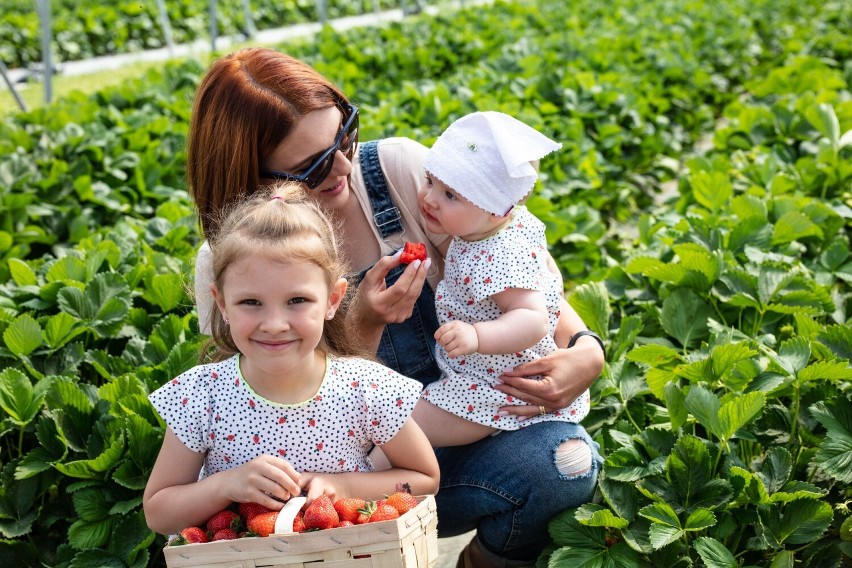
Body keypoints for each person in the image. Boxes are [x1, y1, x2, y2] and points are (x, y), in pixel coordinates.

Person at [187, 47, 605, 567]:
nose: (342, 166)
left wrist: (587, 350)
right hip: (354, 483)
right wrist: (364, 318)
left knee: (563, 464)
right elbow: (281, 410)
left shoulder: (402, 174)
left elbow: (515, 271)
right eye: (311, 166)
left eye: (344, 135)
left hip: (471, 430)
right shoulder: (227, 264)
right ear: (252, 177)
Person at [143, 183, 440, 536]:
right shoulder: (201, 396)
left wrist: (343, 487)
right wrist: (226, 486)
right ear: (221, 304)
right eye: (250, 302)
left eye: (297, 300)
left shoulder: (366, 387)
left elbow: (425, 479)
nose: (274, 325)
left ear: (332, 299)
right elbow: (158, 513)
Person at [409, 111, 591, 447]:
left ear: (495, 208)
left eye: (451, 195)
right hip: (483, 371)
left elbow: (533, 319)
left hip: (495, 386)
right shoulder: (491, 227)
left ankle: (365, 484)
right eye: (430, 181)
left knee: (401, 429)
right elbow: (549, 277)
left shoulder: (501, 256)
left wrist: (477, 334)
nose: (429, 198)